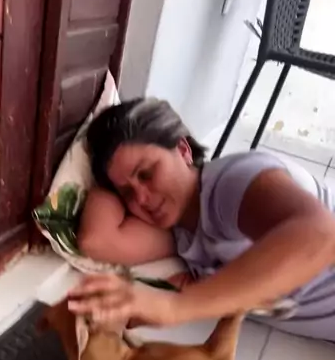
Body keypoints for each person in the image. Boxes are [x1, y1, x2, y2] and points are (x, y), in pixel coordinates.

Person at [68, 98, 335, 341]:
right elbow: (97, 241)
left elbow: (321, 235)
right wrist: (105, 179)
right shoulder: (180, 229)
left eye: (147, 173)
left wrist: (177, 307)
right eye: (126, 193)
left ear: (183, 149)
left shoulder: (232, 182)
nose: (142, 198)